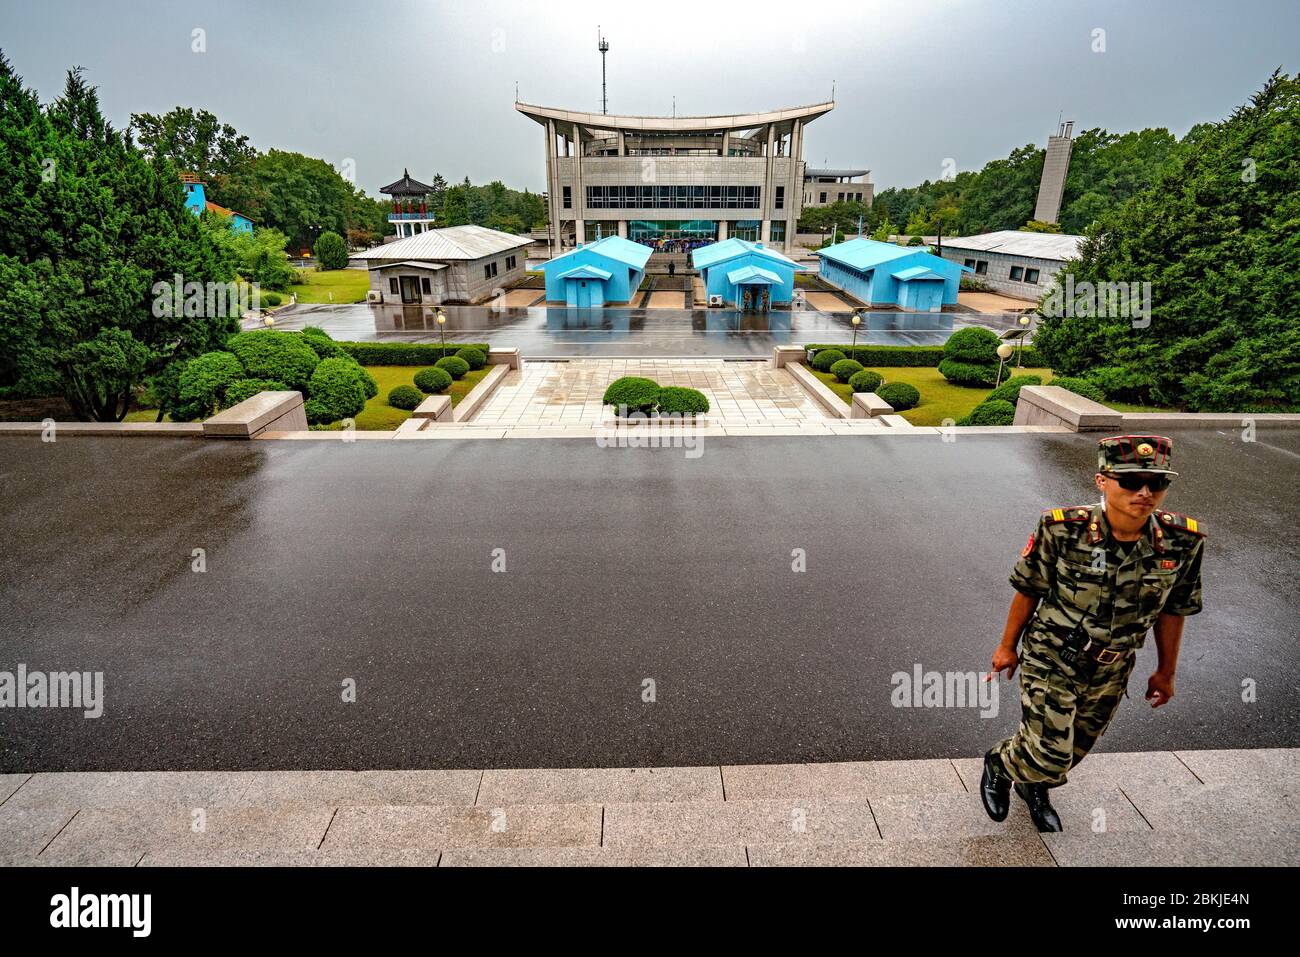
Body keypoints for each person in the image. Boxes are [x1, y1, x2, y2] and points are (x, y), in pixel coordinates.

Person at [980, 435, 1206, 832]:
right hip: (1052, 654)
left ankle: (1033, 786)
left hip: (1113, 667)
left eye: (1157, 482)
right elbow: (1029, 586)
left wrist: (1166, 670)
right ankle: (1000, 763)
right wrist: (1006, 646)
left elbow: (1175, 608)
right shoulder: (1063, 528)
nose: (1145, 492)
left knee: (1074, 751)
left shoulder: (1182, 540)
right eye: (1132, 481)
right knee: (1051, 751)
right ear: (1103, 481)